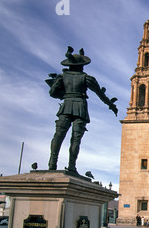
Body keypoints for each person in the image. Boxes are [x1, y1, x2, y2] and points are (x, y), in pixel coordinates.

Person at [47, 46, 118, 175]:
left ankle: (52, 163)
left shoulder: (62, 77)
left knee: (58, 135)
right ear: (82, 65)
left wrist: (64, 93)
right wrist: (111, 105)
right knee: (75, 139)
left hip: (66, 106)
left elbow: (52, 93)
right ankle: (72, 166)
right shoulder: (86, 78)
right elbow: (100, 94)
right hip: (80, 108)